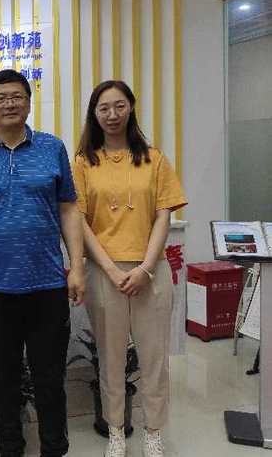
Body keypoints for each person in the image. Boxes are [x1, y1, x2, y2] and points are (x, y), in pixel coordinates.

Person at [0, 69, 85, 457]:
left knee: (50, 377)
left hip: (47, 283)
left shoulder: (52, 148)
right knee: (4, 377)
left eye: (17, 96)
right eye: (0, 98)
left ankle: (53, 448)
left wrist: (77, 266)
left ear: (28, 103)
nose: (9, 104)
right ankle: (11, 446)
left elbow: (68, 208)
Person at [72, 80, 187, 457]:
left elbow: (164, 215)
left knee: (155, 359)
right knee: (111, 359)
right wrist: (110, 270)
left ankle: (154, 431)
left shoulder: (154, 159)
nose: (112, 114)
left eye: (119, 106)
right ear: (94, 114)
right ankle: (116, 431)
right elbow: (80, 222)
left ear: (131, 108)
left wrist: (146, 269)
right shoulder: (83, 163)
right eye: (103, 108)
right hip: (104, 274)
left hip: (151, 272)